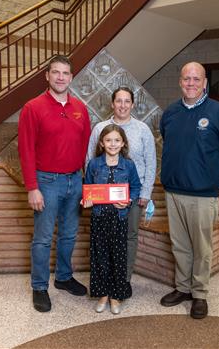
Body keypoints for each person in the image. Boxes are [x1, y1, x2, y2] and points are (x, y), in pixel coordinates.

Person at [159, 61, 219, 319]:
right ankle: (183, 288)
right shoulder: (170, 113)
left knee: (202, 248)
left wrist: (213, 177)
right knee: (180, 246)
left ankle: (200, 294)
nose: (191, 83)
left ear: (205, 82)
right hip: (173, 192)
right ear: (180, 82)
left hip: (203, 196)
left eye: (196, 79)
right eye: (186, 79)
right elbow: (168, 142)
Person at [18, 55, 91, 313]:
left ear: (71, 77)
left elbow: (85, 148)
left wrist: (86, 183)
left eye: (65, 73)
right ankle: (39, 287)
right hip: (46, 182)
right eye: (55, 72)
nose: (61, 77)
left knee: (69, 234)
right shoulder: (33, 108)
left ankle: (63, 277)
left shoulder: (80, 108)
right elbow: (25, 150)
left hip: (75, 180)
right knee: (43, 238)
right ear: (47, 76)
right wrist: (32, 187)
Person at [86, 87, 156, 294]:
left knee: (129, 236)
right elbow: (89, 160)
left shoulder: (143, 129)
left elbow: (151, 162)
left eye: (127, 101)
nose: (123, 105)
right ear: (112, 103)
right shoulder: (100, 128)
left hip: (132, 195)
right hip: (102, 199)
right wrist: (91, 194)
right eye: (119, 101)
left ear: (133, 104)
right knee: (103, 238)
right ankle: (106, 280)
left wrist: (144, 193)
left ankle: (123, 279)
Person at [83, 124, 141, 314]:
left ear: (123, 142)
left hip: (119, 218)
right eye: (108, 140)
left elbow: (135, 186)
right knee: (100, 256)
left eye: (117, 140)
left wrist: (128, 201)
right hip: (99, 218)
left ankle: (116, 296)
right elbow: (88, 188)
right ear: (102, 142)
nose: (113, 144)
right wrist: (87, 200)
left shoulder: (129, 165)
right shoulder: (94, 164)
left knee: (118, 257)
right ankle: (103, 294)